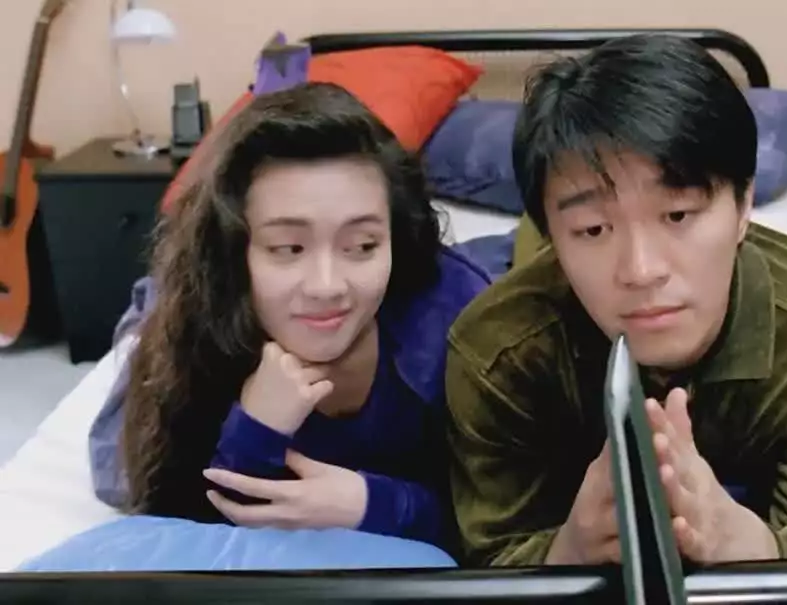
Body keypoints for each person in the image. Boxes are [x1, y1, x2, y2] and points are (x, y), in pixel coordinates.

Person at [444, 34, 787, 567]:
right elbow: (493, 555)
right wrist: (569, 550)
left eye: (678, 215)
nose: (641, 271)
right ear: (552, 233)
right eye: (593, 229)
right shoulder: (496, 355)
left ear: (743, 206)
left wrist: (745, 543)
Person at [88, 82, 491, 552]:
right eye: (288, 248)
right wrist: (256, 428)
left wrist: (369, 504)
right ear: (236, 253)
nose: (327, 286)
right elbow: (181, 526)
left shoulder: (461, 325)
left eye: (362, 246)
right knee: (113, 463)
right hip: (192, 307)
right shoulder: (201, 321)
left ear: (395, 241)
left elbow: (502, 521)